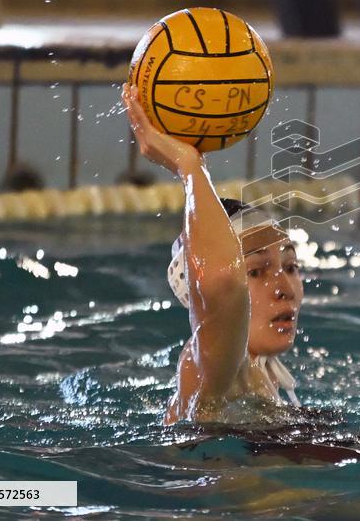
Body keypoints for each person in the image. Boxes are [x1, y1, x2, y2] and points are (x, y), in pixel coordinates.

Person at [121, 84, 304, 425]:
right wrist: (189, 167)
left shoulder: (261, 372)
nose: (285, 288)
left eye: (291, 266)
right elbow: (220, 280)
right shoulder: (211, 367)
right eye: (255, 271)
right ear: (196, 292)